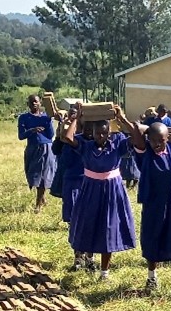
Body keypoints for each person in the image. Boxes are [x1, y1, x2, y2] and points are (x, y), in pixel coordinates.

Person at [61, 105, 138, 280]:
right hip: (90, 189)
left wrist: (122, 119)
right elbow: (67, 137)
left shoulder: (117, 144)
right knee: (87, 224)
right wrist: (77, 118)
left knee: (108, 228)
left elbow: (136, 137)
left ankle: (104, 271)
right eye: (97, 133)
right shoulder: (86, 145)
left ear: (109, 133)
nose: (100, 136)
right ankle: (84, 258)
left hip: (113, 190)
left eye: (104, 133)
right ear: (92, 133)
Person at [127, 121, 171, 303]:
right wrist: (149, 130)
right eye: (153, 140)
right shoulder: (144, 152)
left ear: (168, 138)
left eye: (161, 141)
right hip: (154, 204)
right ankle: (151, 277)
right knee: (152, 240)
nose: (157, 144)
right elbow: (136, 130)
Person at [49, 109, 89, 269]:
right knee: (74, 222)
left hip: (87, 183)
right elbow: (56, 149)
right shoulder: (65, 139)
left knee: (88, 220)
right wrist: (61, 130)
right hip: (71, 184)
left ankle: (89, 257)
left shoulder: (87, 139)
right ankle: (79, 257)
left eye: (76, 119)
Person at [18, 94, 56, 212]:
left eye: (36, 102)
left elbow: (50, 135)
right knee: (32, 176)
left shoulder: (45, 117)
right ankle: (42, 198)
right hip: (32, 149)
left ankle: (38, 205)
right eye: (31, 102)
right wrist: (32, 130)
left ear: (40, 104)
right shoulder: (24, 118)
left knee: (43, 177)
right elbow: (21, 136)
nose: (34, 104)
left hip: (46, 148)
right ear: (28, 104)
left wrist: (49, 121)